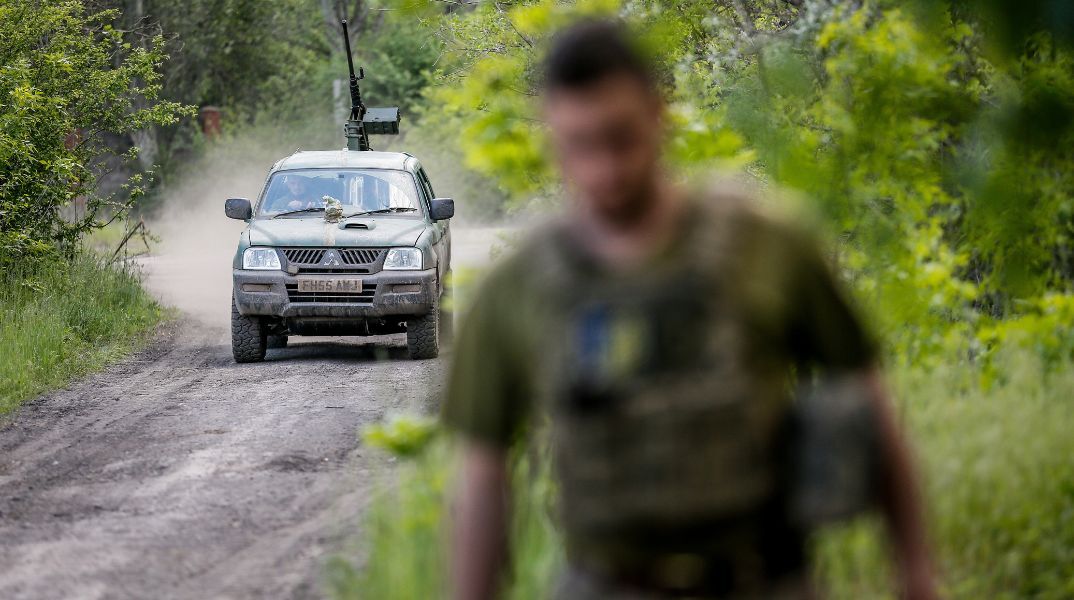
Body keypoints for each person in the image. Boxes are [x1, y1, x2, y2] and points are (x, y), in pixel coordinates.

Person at [442, 19, 938, 600]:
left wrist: (916, 572)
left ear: (658, 113)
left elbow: (866, 396)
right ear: (550, 135)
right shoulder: (518, 287)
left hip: (763, 579)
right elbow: (482, 471)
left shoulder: (768, 242)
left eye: (621, 137)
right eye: (579, 144)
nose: (604, 170)